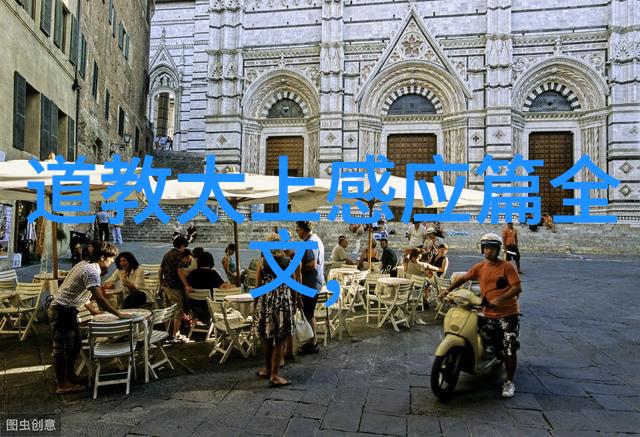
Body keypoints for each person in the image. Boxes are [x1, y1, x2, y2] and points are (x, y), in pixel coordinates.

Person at [443, 233, 522, 399]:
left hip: (507, 314)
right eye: (486, 247)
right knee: (479, 334)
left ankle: (509, 381)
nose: (488, 251)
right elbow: (464, 278)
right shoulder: (480, 267)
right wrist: (448, 290)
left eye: (492, 248)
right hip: (488, 312)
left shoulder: (507, 267)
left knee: (509, 346)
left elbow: (516, 288)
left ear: (498, 249)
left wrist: (499, 299)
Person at [48, 241, 126, 394]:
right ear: (102, 257)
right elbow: (100, 299)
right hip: (61, 311)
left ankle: (70, 376)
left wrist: (93, 312)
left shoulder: (85, 264)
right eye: (111, 259)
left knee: (75, 345)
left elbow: (82, 293)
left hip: (68, 310)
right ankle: (63, 384)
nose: (111, 262)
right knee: (62, 348)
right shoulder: (91, 271)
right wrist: (118, 314)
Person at [254, 233, 295, 387]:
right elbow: (293, 284)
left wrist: (255, 306)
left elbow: (257, 287)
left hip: (266, 301)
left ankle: (268, 369)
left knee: (267, 337)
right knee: (280, 338)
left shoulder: (263, 263)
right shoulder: (288, 262)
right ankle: (275, 375)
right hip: (282, 301)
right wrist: (295, 302)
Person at [295, 220, 324, 355]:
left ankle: (313, 343)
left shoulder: (309, 243)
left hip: (310, 283)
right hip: (316, 282)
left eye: (297, 230)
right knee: (309, 313)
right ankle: (313, 341)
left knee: (308, 314)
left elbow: (312, 265)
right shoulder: (316, 239)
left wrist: (298, 267)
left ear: (303, 229)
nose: (297, 232)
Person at [159, 236, 192, 342]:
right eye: (184, 247)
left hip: (166, 286)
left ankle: (166, 333)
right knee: (178, 310)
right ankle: (175, 334)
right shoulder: (178, 255)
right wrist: (186, 285)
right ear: (182, 246)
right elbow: (180, 271)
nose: (184, 249)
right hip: (175, 286)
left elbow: (160, 270)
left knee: (167, 310)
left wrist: (161, 283)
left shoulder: (167, 254)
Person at [186, 252, 234, 324]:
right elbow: (223, 286)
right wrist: (233, 285)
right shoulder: (213, 274)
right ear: (211, 262)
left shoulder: (192, 273)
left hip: (194, 306)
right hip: (209, 307)